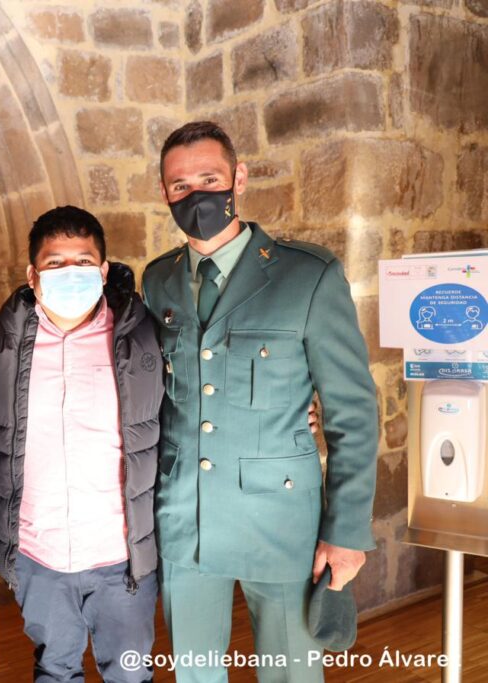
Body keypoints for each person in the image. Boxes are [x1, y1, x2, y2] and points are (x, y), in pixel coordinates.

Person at [142, 121, 378, 682]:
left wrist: (346, 532)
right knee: (194, 673)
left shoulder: (308, 275)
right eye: (180, 185)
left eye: (209, 179)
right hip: (186, 517)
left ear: (238, 178)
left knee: (290, 673)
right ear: (164, 193)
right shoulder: (157, 282)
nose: (196, 195)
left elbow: (353, 414)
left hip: (280, 521)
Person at [0, 206, 163, 682]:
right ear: (32, 275)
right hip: (39, 556)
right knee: (55, 670)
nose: (70, 273)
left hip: (121, 556)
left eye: (83, 261)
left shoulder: (142, 337)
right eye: (55, 263)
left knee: (131, 674)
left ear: (104, 270)